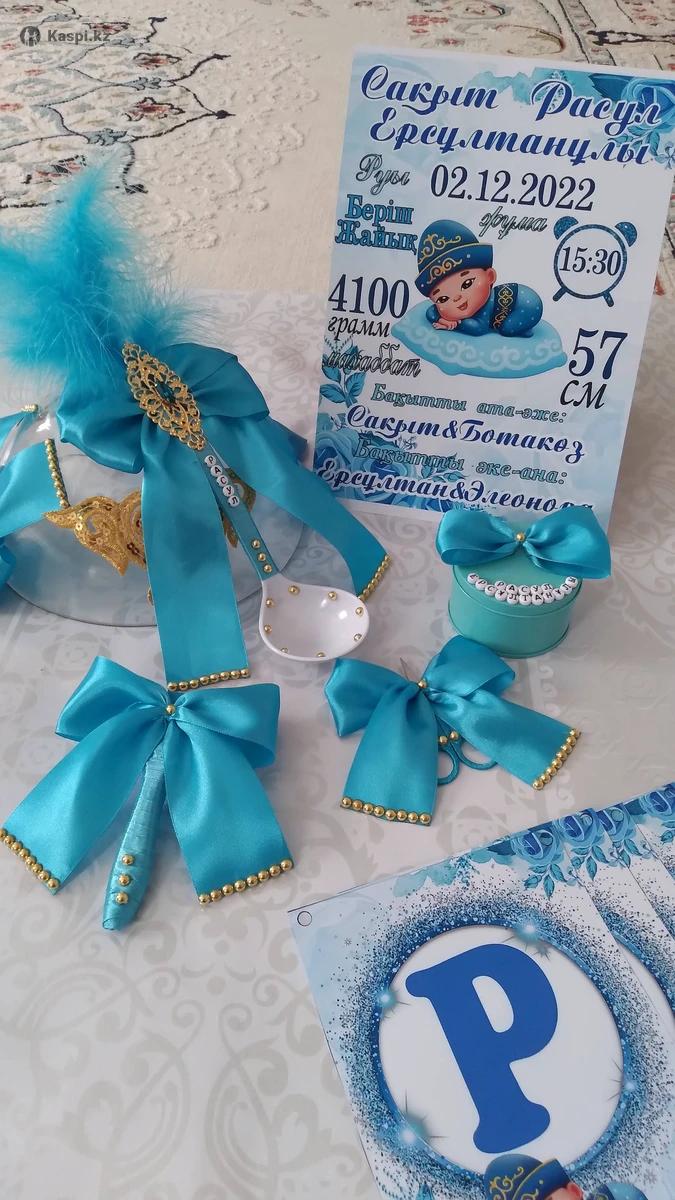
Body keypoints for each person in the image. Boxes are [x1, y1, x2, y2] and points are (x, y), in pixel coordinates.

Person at [415, 220, 543, 337]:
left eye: (467, 284)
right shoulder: (470, 305)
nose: (457, 298)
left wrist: (455, 323)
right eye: (443, 299)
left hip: (526, 307)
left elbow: (478, 328)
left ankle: (524, 329)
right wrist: (440, 319)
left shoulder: (483, 308)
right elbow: (431, 311)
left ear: (490, 276)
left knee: (506, 330)